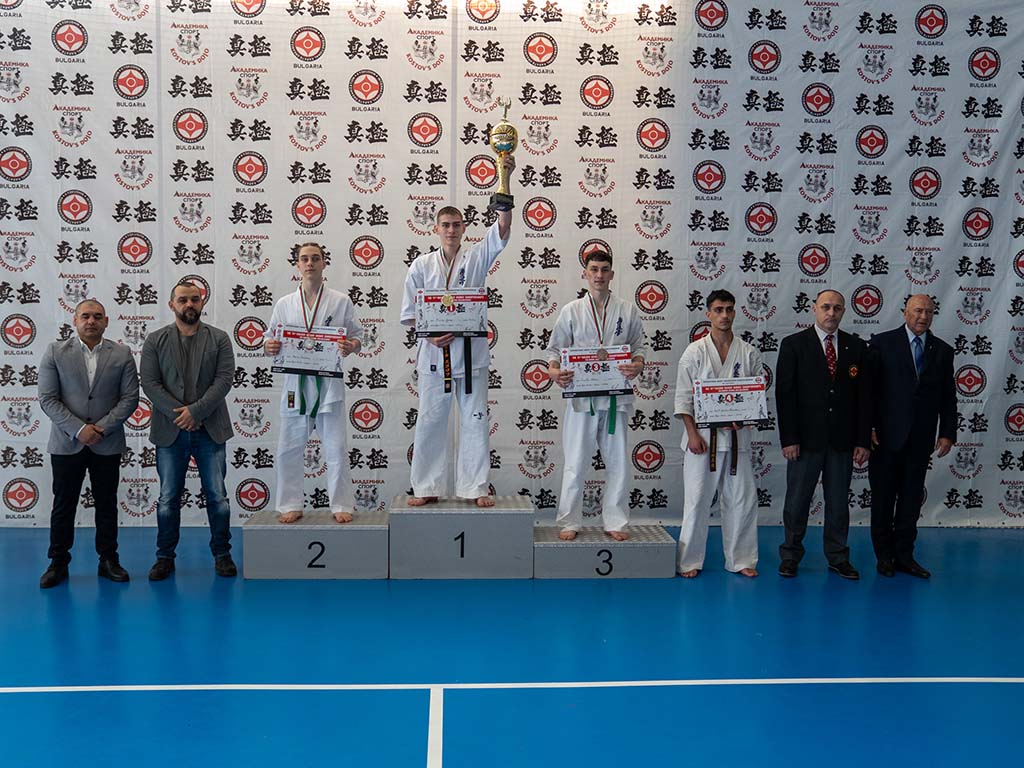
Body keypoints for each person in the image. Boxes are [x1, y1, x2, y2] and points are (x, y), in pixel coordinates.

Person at [400, 167, 513, 508]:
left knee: (475, 422)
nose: (451, 230)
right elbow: (410, 313)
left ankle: (476, 487)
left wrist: (505, 183)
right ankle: (425, 487)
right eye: (445, 225)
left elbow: (502, 229)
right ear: (435, 229)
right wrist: (429, 335)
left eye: (456, 225)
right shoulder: (421, 266)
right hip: (435, 359)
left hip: (471, 357)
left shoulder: (476, 258)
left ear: (464, 228)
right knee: (430, 423)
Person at [37, 299, 139, 588]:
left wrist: (100, 429)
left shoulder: (122, 353)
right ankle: (58, 562)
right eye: (85, 316)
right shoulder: (55, 351)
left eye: (97, 316)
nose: (91, 321)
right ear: (75, 320)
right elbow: (47, 398)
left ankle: (108, 560)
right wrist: (79, 429)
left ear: (106, 321)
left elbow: (130, 398)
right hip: (67, 442)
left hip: (107, 442)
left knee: (107, 504)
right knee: (63, 504)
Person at [545, 250, 646, 540]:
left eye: (604, 269)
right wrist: (554, 371)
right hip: (582, 400)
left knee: (617, 463)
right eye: (594, 269)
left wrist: (638, 364)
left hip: (616, 398)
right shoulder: (572, 310)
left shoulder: (627, 310)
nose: (599, 275)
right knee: (576, 462)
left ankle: (616, 521)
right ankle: (569, 521)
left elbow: (639, 346)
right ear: (585, 273)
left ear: (612, 273)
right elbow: (554, 350)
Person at [140, 282, 236, 580]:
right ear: (172, 304)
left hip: (210, 429)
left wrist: (196, 412)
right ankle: (164, 557)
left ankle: (222, 554)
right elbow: (150, 383)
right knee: (168, 498)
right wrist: (181, 415)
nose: (189, 304)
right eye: (183, 300)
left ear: (202, 302)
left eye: (195, 299)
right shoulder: (155, 340)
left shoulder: (219, 339)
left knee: (217, 497)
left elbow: (224, 379)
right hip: (170, 431)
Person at [264, 242, 363, 524]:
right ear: (297, 264)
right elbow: (269, 338)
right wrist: (269, 346)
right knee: (289, 448)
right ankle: (290, 504)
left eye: (315, 258)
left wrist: (351, 345)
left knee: (336, 448)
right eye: (304, 259)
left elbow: (357, 336)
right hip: (296, 387)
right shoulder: (284, 304)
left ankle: (341, 503)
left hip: (329, 387)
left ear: (324, 263)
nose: (310, 263)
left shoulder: (340, 301)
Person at [776, 289, 871, 580]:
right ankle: (790, 555)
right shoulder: (794, 345)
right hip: (804, 441)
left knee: (839, 503)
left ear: (844, 312)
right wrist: (789, 438)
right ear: (814, 309)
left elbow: (864, 398)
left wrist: (862, 440)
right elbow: (785, 396)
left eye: (837, 308)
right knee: (797, 502)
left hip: (842, 441)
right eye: (826, 307)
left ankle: (838, 557)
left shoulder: (857, 347)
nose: (831, 313)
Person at [673, 290, 762, 577]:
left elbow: (755, 397)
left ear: (735, 312)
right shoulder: (694, 352)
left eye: (729, 309)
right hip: (702, 440)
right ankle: (689, 560)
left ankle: (741, 559)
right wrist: (692, 433)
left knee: (742, 501)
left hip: (737, 441)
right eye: (719, 309)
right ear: (708, 313)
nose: (725, 315)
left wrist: (745, 419)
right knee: (697, 501)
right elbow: (683, 398)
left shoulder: (748, 352)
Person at [868, 294, 956, 578]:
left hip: (920, 440)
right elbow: (868, 392)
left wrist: (947, 433)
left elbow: (948, 396)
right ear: (905, 312)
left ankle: (904, 556)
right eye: (918, 310)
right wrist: (868, 427)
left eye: (929, 311)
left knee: (910, 500)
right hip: (884, 438)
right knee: (883, 499)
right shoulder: (882, 343)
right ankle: (884, 556)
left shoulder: (942, 350)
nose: (923, 316)